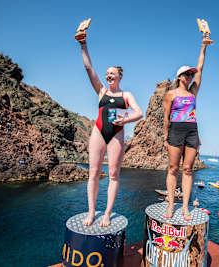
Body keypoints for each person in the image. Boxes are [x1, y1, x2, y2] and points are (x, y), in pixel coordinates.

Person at [76, 22, 143, 227]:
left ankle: (106, 213)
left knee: (113, 174)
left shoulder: (126, 94)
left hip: (117, 133)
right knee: (93, 172)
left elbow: (139, 113)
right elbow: (88, 67)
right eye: (107, 73)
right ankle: (91, 212)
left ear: (119, 76)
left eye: (112, 73)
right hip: (98, 131)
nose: (108, 75)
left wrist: (126, 119)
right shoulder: (101, 91)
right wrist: (83, 44)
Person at [162, 37, 209, 221]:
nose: (190, 77)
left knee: (188, 169)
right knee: (173, 169)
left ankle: (185, 207)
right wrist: (166, 137)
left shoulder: (193, 92)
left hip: (192, 131)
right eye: (187, 75)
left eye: (191, 75)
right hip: (175, 131)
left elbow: (201, 69)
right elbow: (166, 117)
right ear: (180, 77)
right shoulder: (170, 94)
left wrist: (203, 47)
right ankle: (171, 205)